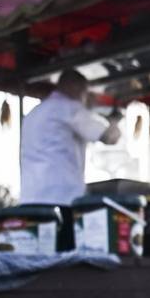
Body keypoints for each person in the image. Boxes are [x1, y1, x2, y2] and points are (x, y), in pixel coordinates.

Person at [20, 70, 122, 247]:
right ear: (78, 88)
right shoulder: (69, 108)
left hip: (30, 199)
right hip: (61, 199)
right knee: (64, 259)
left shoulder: (35, 113)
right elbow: (110, 137)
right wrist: (115, 120)